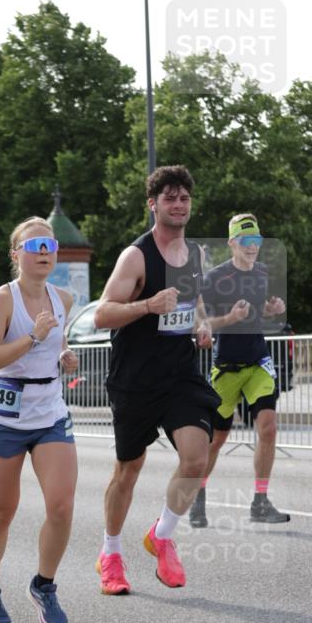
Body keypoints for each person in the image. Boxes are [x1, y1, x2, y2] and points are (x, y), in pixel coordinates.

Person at [94, 165, 220, 595]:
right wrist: (147, 305)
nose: (178, 204)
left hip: (180, 373)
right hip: (135, 378)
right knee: (128, 469)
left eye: (184, 198)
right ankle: (110, 553)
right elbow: (102, 313)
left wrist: (202, 326)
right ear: (153, 204)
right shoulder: (136, 256)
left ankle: (162, 535)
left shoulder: (198, 255)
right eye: (169, 198)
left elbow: (194, 304)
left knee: (196, 459)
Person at [0, 217, 79, 623]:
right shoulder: (2, 300)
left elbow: (57, 338)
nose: (43, 253)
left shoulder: (63, 299)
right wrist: (32, 338)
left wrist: (63, 353)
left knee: (62, 506)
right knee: (2, 511)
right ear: (16, 255)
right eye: (34, 246)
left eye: (49, 246)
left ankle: (44, 585)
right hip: (3, 413)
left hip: (49, 410)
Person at [189, 213, 290, 526]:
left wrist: (272, 309)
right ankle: (198, 496)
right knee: (217, 438)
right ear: (232, 242)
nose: (253, 247)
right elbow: (199, 318)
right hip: (227, 366)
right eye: (246, 241)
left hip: (258, 361)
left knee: (268, 426)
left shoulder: (261, 273)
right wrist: (223, 322)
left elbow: (258, 309)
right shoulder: (216, 278)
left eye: (257, 240)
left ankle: (260, 501)